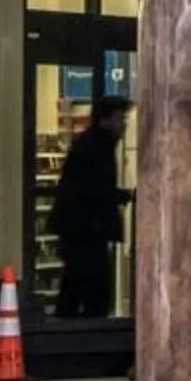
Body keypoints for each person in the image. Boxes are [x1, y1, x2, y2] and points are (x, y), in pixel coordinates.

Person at [49, 96, 132, 318]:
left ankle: (66, 333)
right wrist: (122, 195)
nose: (123, 124)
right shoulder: (98, 147)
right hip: (86, 230)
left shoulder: (90, 143)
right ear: (104, 120)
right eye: (119, 119)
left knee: (74, 285)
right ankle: (89, 336)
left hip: (78, 229)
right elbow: (94, 190)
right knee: (96, 288)